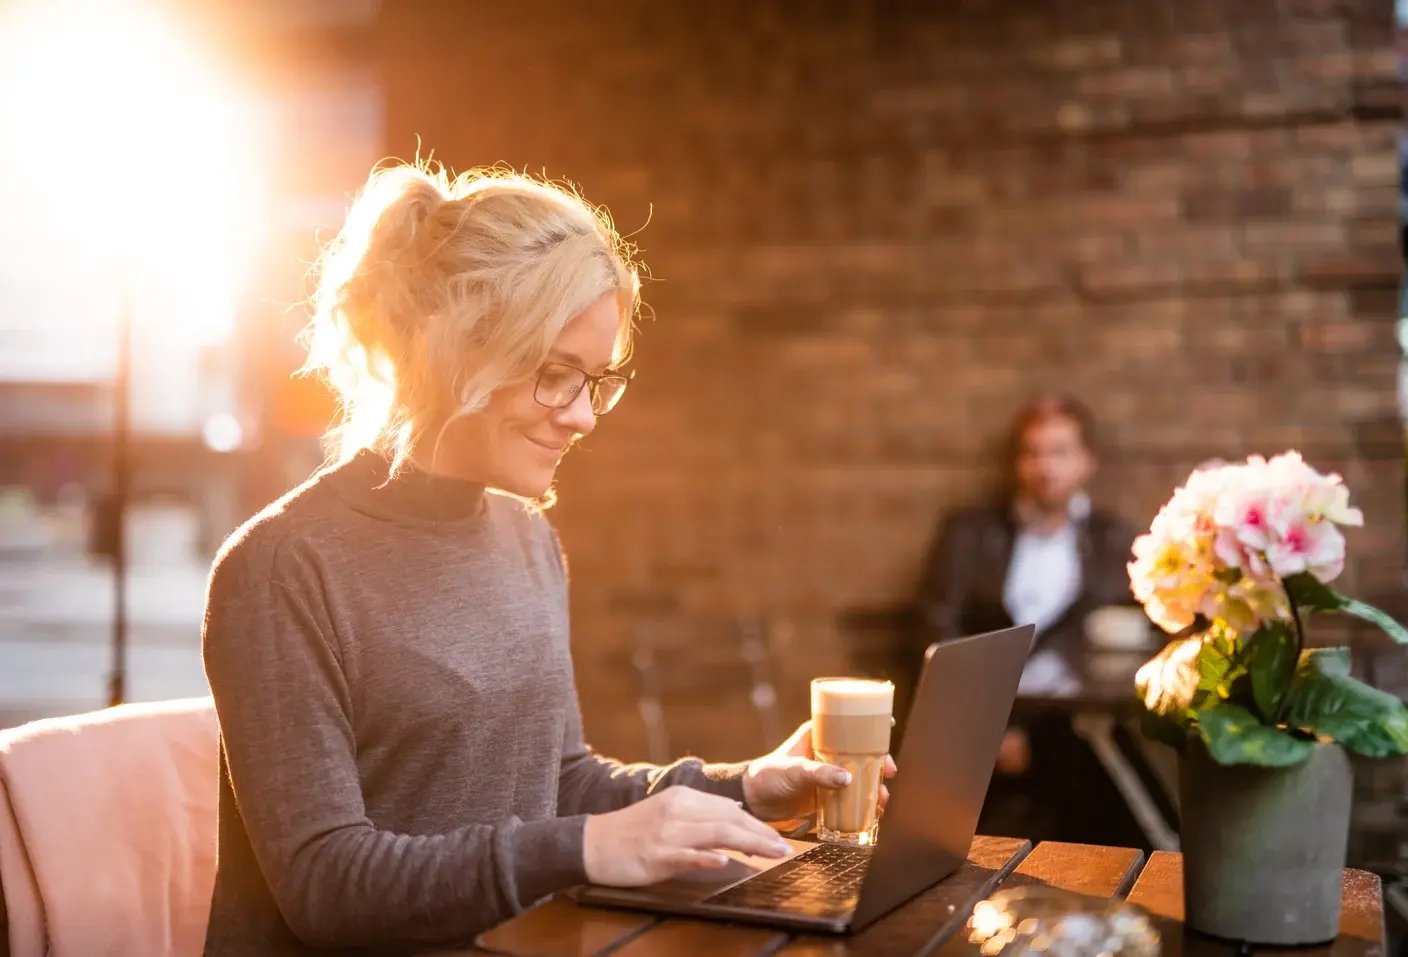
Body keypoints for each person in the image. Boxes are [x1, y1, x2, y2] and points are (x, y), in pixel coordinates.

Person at [201, 162, 892, 955]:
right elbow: (327, 886)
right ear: (454, 351)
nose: (585, 416)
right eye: (557, 377)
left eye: (595, 380)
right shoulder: (281, 566)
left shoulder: (526, 538)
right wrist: (587, 848)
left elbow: (557, 781)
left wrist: (745, 786)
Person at [913, 396, 1140, 844]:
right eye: (1032, 452)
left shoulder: (1112, 539)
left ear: (1086, 461)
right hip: (982, 715)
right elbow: (937, 627)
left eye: (1059, 452)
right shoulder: (971, 533)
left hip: (1072, 725)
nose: (1045, 466)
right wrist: (993, 725)